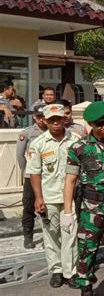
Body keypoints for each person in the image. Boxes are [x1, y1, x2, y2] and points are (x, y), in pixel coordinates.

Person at [62, 101, 104, 296]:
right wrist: (67, 212)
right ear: (91, 125)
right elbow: (70, 181)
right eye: (100, 124)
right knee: (87, 249)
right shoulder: (79, 148)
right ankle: (86, 286)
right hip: (90, 207)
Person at [25, 104, 81, 289]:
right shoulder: (38, 143)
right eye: (51, 120)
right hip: (49, 196)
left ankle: (70, 271)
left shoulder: (76, 140)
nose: (55, 123)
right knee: (51, 235)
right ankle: (56, 270)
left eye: (58, 118)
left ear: (65, 119)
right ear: (45, 121)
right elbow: (34, 173)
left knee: (70, 234)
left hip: (71, 197)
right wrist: (38, 198)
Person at [16, 103, 48, 249]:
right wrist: (27, 171)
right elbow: (20, 155)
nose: (42, 120)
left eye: (44, 117)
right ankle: (28, 236)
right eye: (39, 117)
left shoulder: (52, 132)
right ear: (35, 117)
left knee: (48, 206)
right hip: (31, 176)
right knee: (28, 206)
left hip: (48, 175)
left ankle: (49, 236)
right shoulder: (27, 133)